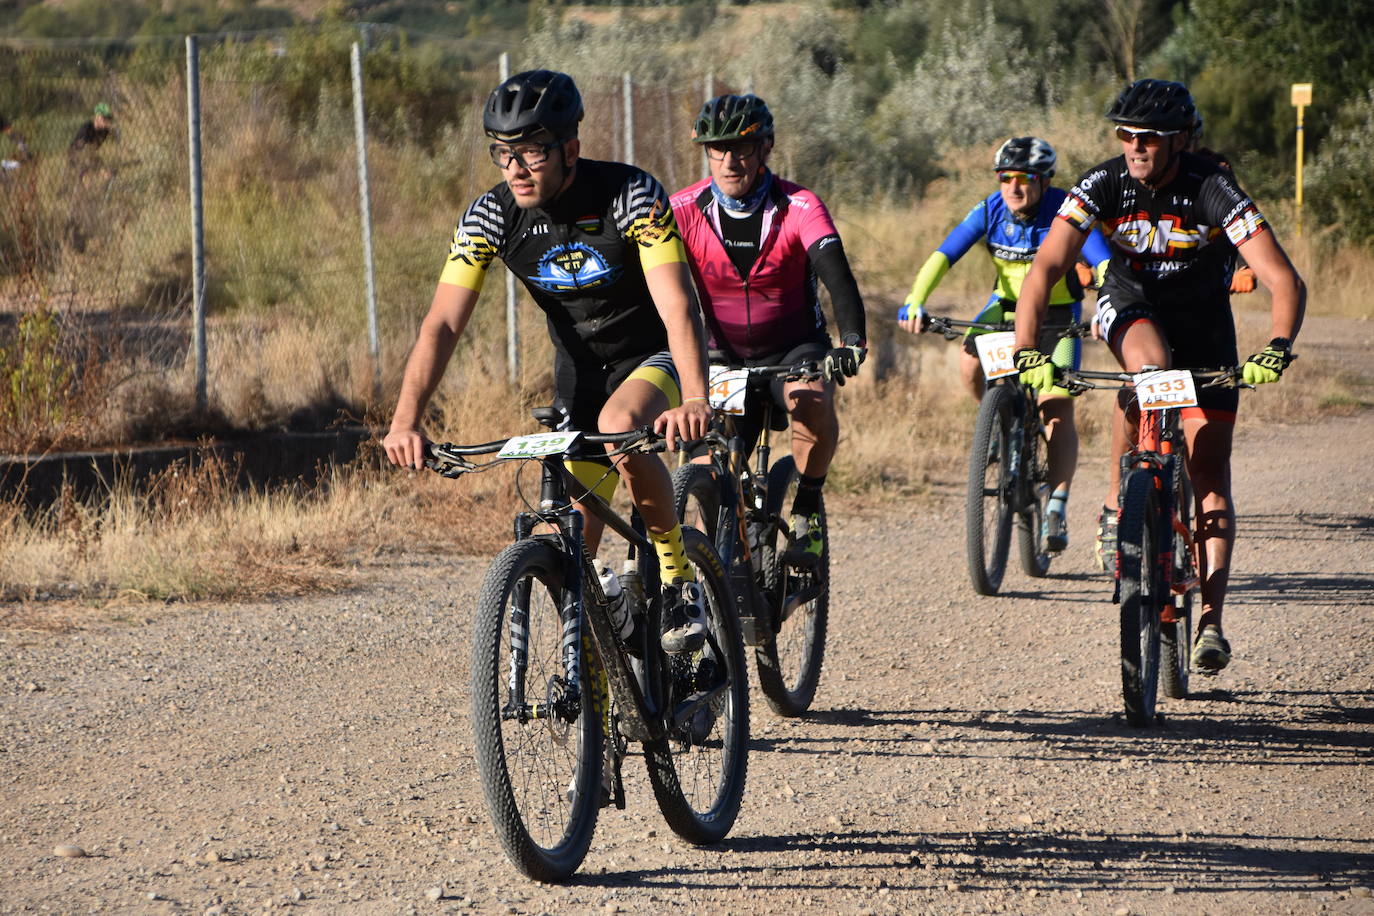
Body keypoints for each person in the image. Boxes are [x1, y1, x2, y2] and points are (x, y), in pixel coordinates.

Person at [383, 70, 715, 655]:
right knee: (570, 554)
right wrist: (406, 419)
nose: (515, 168)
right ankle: (605, 692)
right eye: (502, 153)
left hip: (654, 353)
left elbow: (678, 305)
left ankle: (677, 575)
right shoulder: (491, 217)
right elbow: (441, 323)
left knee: (618, 430)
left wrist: (694, 396)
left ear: (570, 149)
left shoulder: (631, 195)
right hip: (579, 374)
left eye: (530, 151)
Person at [1012, 78, 1306, 674]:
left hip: (1204, 323)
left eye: (1148, 137)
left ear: (1180, 141)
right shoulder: (1103, 183)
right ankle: (1124, 502)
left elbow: (1282, 277)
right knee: (1149, 369)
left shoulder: (1213, 188)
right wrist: (1025, 348)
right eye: (1125, 136)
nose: (1135, 147)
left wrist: (1277, 346)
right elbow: (1046, 265)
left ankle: (1211, 623)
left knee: (1210, 477)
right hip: (1132, 304)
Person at [669, 93, 867, 567]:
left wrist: (852, 341)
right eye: (718, 149)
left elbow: (837, 275)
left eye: (743, 147)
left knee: (811, 399)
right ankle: (714, 565)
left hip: (792, 347)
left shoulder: (799, 206)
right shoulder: (683, 210)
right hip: (721, 352)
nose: (730, 160)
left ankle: (807, 508)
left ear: (766, 149)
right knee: (706, 460)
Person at [897, 137, 1112, 552]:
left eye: (1025, 179)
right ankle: (997, 423)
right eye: (1005, 179)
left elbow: (1104, 263)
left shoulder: (1068, 211)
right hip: (1005, 307)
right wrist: (915, 300)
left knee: (1056, 406)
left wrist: (1106, 307)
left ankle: (1057, 506)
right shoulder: (990, 209)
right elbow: (944, 254)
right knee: (968, 364)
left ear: (1045, 180)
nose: (1013, 188)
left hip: (1058, 316)